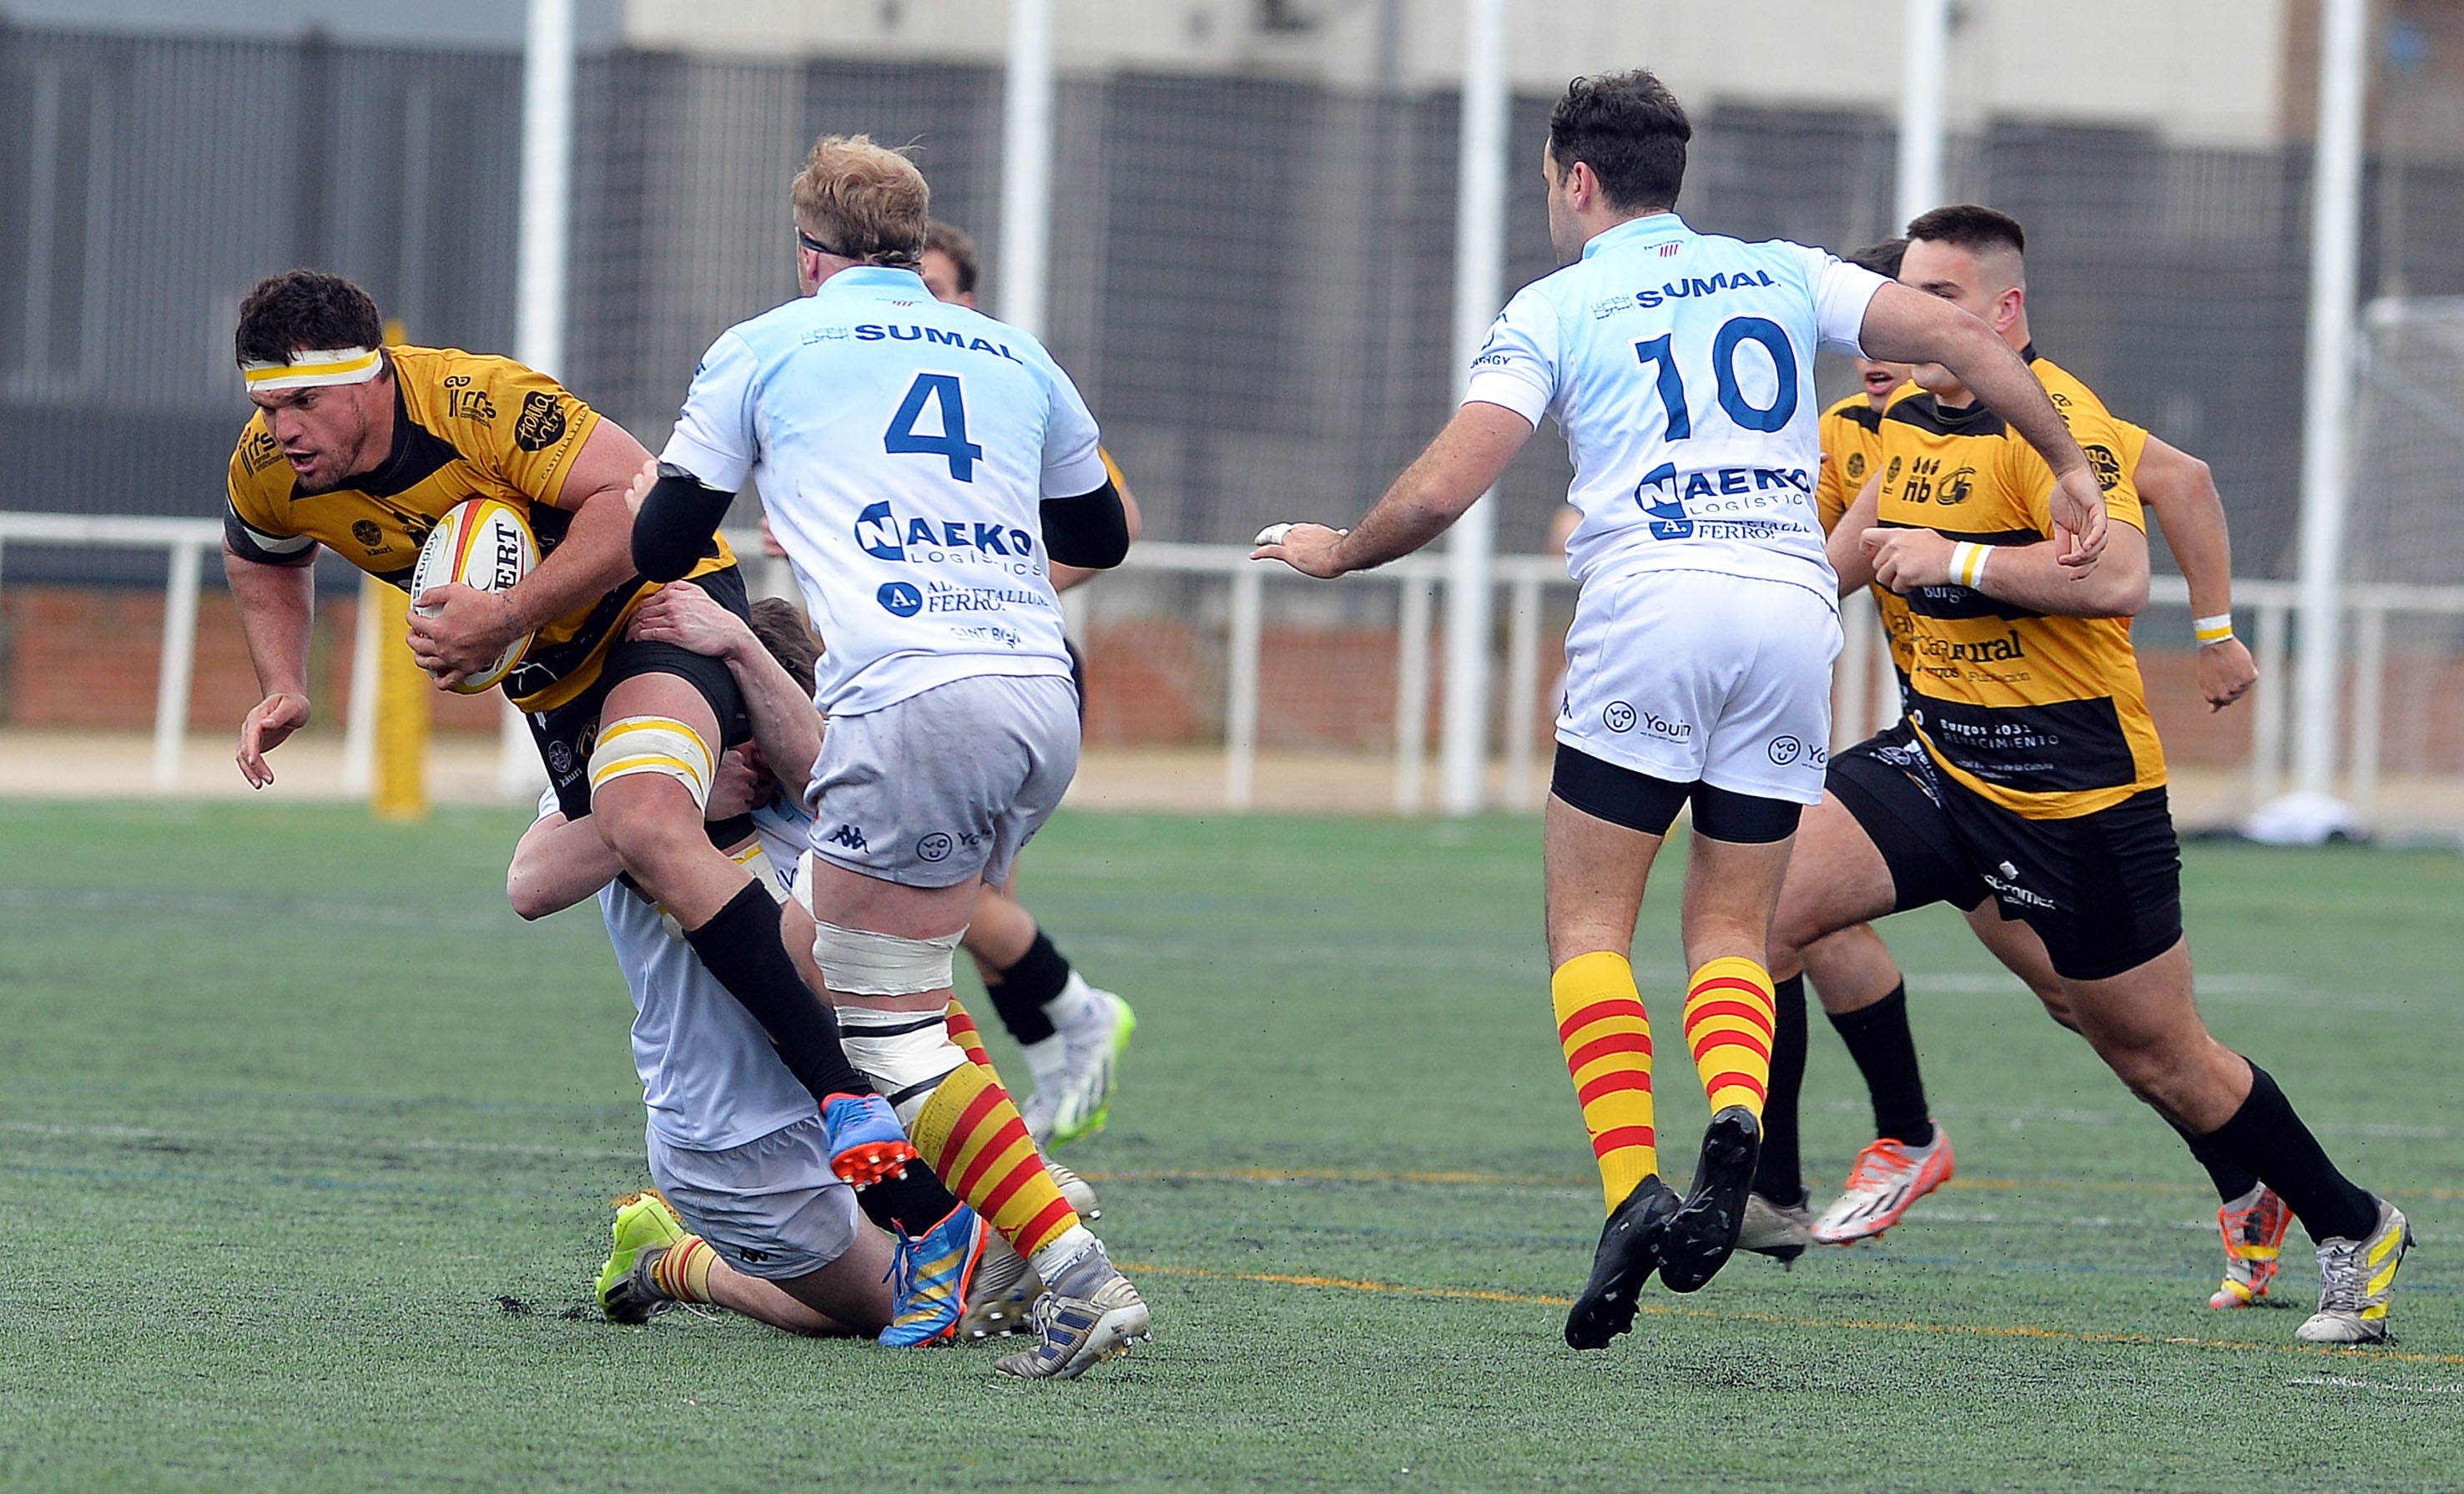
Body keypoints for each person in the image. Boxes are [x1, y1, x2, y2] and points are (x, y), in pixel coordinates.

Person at [1252, 71, 2112, 1350]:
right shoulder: (1779, 269)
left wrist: (1341, 549)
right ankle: (1736, 1114)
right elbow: (1972, 347)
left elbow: (1444, 490)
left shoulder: (1553, 305)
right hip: (1784, 610)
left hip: (1650, 603)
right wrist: (2064, 467)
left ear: (1575, 179)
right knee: (1731, 924)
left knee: (1590, 924)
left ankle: (1627, 1187)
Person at [1777, 204, 2407, 1344]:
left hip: (2074, 795)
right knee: (1761, 903)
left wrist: (1958, 560)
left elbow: (2117, 576)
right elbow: (1827, 573)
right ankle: (1770, 1187)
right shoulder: (1902, 418)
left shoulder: (2055, 420)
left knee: (2155, 1052)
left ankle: (2350, 1220)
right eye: (1912, 295)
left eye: (1947, 298)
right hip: (1935, 763)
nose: (1918, 317)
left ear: (2006, 312)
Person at [221, 273, 918, 1222]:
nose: (283, 428)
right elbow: (260, 552)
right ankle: (766, 1172)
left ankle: (848, 1098)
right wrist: (285, 682)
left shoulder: (483, 403)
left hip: (661, 611)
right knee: (615, 866)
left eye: (305, 400)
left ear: (374, 377)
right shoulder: (267, 465)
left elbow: (639, 507)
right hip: (556, 687)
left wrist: (504, 612)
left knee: (660, 818)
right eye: (267, 406)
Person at [627, 134, 1148, 1380]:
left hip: (913, 700)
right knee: (814, 959)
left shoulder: (764, 345)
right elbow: (1098, 530)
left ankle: (1069, 1260)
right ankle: (1022, 1194)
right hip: (1038, 691)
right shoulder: (1011, 349)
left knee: (886, 1027)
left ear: (809, 255)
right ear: (916, 251)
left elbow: (660, 531)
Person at [512, 595, 1090, 1344]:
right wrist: (666, 810)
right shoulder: (644, 783)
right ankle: (670, 1260)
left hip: (873, 1114)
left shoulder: (834, 800)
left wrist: (748, 654)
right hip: (737, 1143)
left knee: (1024, 1248)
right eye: (739, 735)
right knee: (949, 1316)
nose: (755, 757)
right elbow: (529, 884)